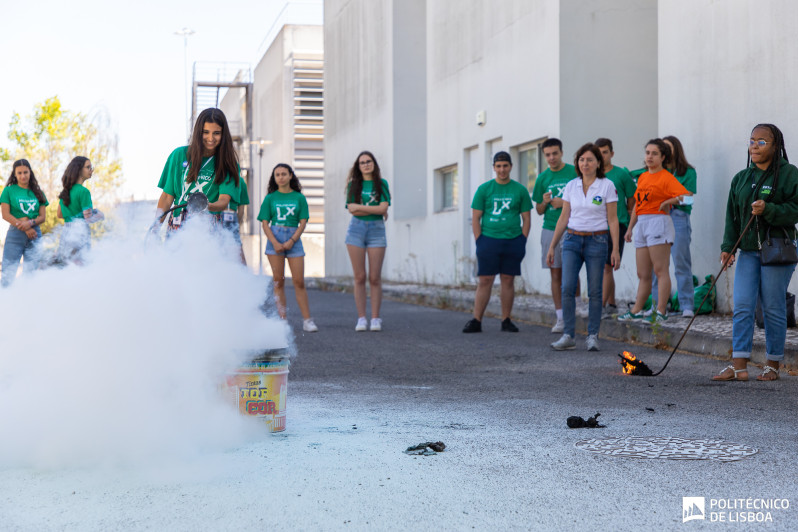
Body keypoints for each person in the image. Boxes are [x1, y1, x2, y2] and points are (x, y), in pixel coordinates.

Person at [712, 124, 798, 382]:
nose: (755, 146)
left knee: (772, 308)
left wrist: (769, 209)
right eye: (752, 140)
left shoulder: (789, 174)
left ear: (775, 145)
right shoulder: (740, 178)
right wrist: (728, 247)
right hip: (748, 250)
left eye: (762, 141)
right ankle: (738, 366)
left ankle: (772, 365)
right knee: (743, 306)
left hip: (777, 250)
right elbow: (732, 216)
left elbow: (795, 209)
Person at [547, 144, 619, 351]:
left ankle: (592, 336)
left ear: (598, 162)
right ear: (577, 163)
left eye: (589, 159)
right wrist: (553, 246)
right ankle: (568, 335)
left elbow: (613, 220)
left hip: (597, 241)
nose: (585, 163)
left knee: (595, 291)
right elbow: (564, 217)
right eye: (581, 160)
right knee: (567, 287)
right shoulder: (571, 185)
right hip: (571, 240)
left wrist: (615, 250)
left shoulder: (606, 185)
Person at [618, 140, 691, 324]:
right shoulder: (642, 177)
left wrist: (668, 202)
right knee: (643, 273)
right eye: (647, 152)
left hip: (659, 223)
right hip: (642, 223)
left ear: (663, 157)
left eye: (654, 153)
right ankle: (636, 310)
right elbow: (637, 205)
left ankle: (660, 311)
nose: (649, 156)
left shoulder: (666, 177)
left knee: (660, 270)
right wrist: (630, 228)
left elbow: (687, 197)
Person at [463, 151, 532, 333]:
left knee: (508, 280)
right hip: (488, 240)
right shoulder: (484, 189)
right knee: (485, 279)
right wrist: (480, 241)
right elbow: (476, 218)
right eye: (498, 166)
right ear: (494, 168)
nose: (502, 169)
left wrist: (522, 240)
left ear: (510, 167)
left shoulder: (520, 190)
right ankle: (476, 320)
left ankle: (506, 320)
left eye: (505, 166)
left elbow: (526, 218)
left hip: (512, 241)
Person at [153, 108, 241, 233]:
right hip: (178, 221)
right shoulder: (179, 155)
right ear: (198, 132)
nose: (210, 138)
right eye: (205, 132)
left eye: (216, 133)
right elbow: (167, 197)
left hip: (208, 223)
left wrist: (204, 206)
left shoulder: (228, 164)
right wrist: (155, 226)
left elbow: (223, 201)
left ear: (223, 134)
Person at [258, 163, 318, 332]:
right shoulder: (270, 198)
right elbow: (264, 223)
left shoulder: (299, 197)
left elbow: (303, 221)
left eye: (284, 174)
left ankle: (307, 320)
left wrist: (292, 240)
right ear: (274, 178)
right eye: (277, 174)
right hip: (274, 238)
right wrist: (275, 242)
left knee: (299, 281)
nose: (281, 177)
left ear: (291, 175)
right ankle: (282, 320)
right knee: (279, 281)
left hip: (294, 240)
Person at [532, 138, 578, 333]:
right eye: (547, 155)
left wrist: (565, 204)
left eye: (554, 154)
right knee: (556, 273)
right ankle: (560, 317)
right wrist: (543, 202)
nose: (551, 158)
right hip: (550, 229)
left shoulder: (574, 172)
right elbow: (539, 210)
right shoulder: (542, 178)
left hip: (574, 227)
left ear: (561, 153)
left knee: (573, 271)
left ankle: (577, 310)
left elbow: (586, 200)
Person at [651, 135, 697, 317]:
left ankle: (686, 305)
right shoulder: (657, 172)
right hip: (659, 217)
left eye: (668, 148)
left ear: (676, 149)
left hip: (678, 216)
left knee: (681, 261)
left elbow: (689, 197)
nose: (666, 152)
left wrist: (670, 199)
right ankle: (658, 305)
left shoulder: (687, 171)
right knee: (658, 265)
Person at [345, 151, 391, 331]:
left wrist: (361, 207)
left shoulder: (382, 184)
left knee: (374, 277)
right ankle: (362, 318)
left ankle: (375, 319)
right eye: (362, 162)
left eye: (369, 161)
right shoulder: (353, 185)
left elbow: (383, 208)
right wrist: (375, 209)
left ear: (374, 163)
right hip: (356, 230)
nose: (366, 164)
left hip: (376, 231)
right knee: (359, 277)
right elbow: (351, 209)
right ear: (358, 166)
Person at [595, 138, 636, 317]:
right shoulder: (592, 175)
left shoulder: (621, 174)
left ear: (611, 153)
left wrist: (628, 221)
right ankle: (611, 303)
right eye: (599, 152)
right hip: (596, 225)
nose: (602, 156)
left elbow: (632, 198)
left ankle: (600, 308)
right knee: (604, 266)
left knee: (606, 266)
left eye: (605, 152)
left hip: (617, 224)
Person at [1, 160, 48, 286]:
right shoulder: (8, 191)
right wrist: (25, 228)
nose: (23, 176)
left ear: (30, 173)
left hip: (35, 235)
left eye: (26, 172)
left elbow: (42, 217)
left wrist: (30, 222)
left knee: (31, 275)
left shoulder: (39, 192)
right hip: (15, 235)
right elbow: (5, 215)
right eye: (19, 173)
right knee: (7, 274)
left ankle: (27, 303)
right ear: (14, 174)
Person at [57, 156, 104, 264]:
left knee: (67, 267)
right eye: (88, 167)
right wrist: (100, 215)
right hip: (79, 233)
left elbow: (59, 214)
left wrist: (74, 214)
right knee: (81, 269)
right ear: (79, 169)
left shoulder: (66, 191)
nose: (91, 170)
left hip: (66, 232)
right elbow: (88, 218)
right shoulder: (84, 192)